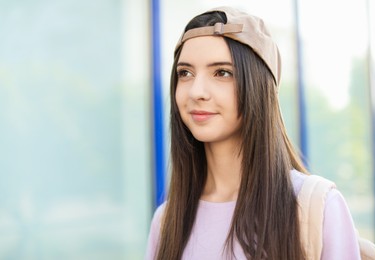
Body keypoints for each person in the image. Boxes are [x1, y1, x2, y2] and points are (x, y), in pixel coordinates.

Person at [146, 6, 360, 260]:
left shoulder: (316, 206)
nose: (196, 91)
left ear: (258, 86)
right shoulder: (167, 221)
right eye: (185, 73)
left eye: (222, 73)